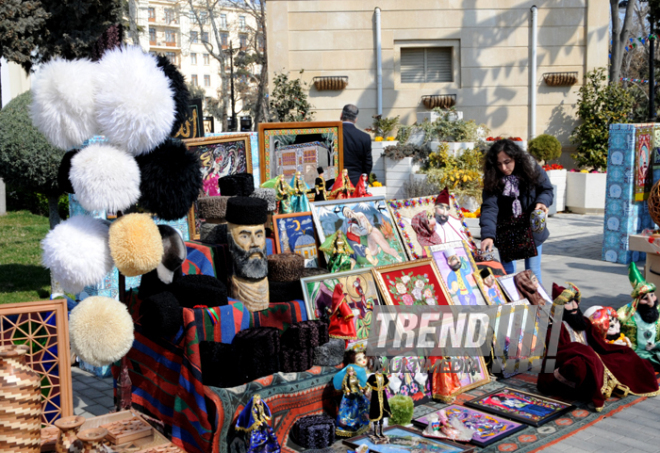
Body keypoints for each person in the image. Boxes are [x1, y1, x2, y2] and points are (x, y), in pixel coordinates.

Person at [537, 282, 659, 411]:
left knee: (625, 353)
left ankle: (612, 383)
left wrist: (604, 350)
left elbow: (599, 344)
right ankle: (596, 388)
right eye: (568, 303)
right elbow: (556, 356)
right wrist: (585, 352)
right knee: (580, 366)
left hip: (593, 356)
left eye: (575, 302)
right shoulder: (555, 329)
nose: (574, 306)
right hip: (568, 365)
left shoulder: (584, 322)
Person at [480, 139, 553, 285]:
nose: (504, 167)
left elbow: (546, 189)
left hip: (531, 226)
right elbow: (490, 207)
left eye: (507, 162)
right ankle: (513, 304)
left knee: (532, 271)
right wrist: (488, 235)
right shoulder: (493, 177)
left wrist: (542, 202)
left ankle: (536, 305)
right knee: (507, 272)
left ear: (516, 158)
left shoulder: (530, 167)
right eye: (499, 164)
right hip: (506, 228)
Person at [618, 263, 660, 369]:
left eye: (652, 296)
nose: (651, 302)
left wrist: (655, 346)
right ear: (637, 300)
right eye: (645, 298)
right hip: (636, 353)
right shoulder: (625, 315)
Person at [341, 104, 372, 186]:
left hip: (337, 182)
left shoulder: (333, 134)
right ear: (356, 119)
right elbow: (368, 163)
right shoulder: (364, 137)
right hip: (356, 181)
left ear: (341, 115)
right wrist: (364, 179)